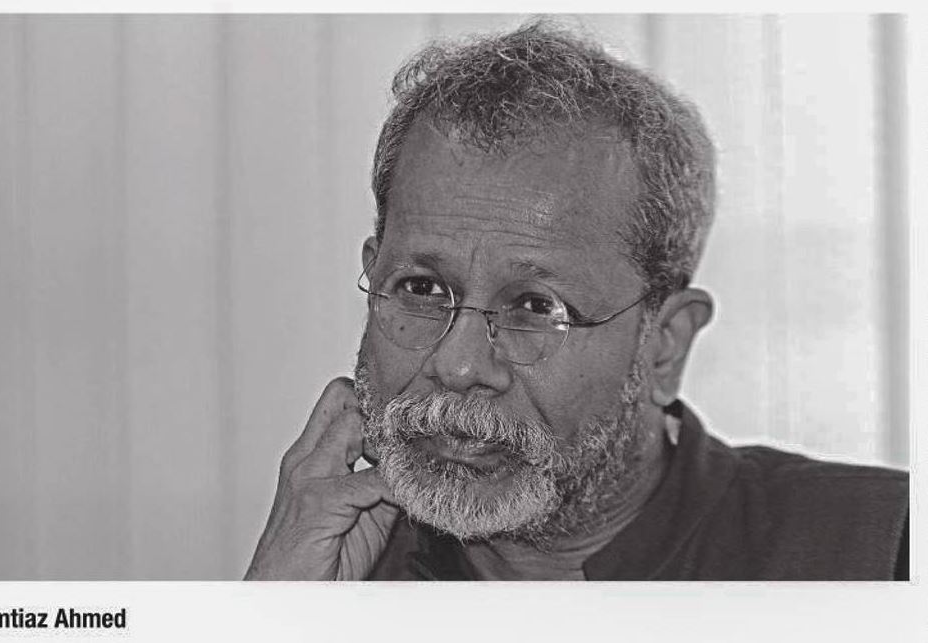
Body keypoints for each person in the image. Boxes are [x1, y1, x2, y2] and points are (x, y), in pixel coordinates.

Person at [244, 22, 909, 581]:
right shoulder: (332, 568)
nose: (458, 364)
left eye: (535, 306)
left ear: (664, 344)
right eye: (420, 289)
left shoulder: (880, 555)